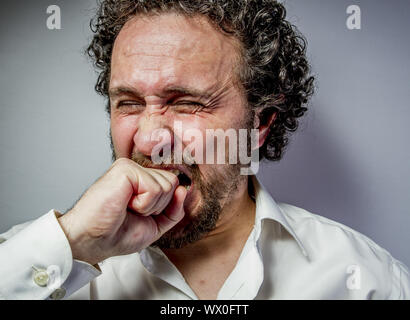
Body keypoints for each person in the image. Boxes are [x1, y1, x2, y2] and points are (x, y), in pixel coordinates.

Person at [0, 0, 409, 300]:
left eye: (186, 103)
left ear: (260, 123)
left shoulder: (366, 279)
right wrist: (76, 242)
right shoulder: (37, 259)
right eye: (128, 103)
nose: (148, 139)